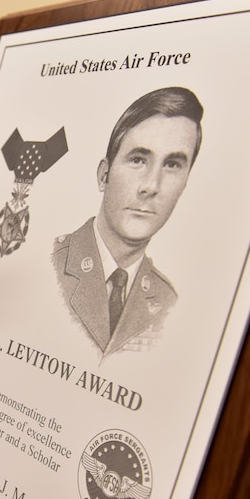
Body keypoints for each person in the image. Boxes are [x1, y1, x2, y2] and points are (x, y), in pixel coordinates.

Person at [52, 86, 203, 358]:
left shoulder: (168, 302)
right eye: (138, 159)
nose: (151, 186)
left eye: (172, 165)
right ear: (104, 175)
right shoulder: (49, 264)